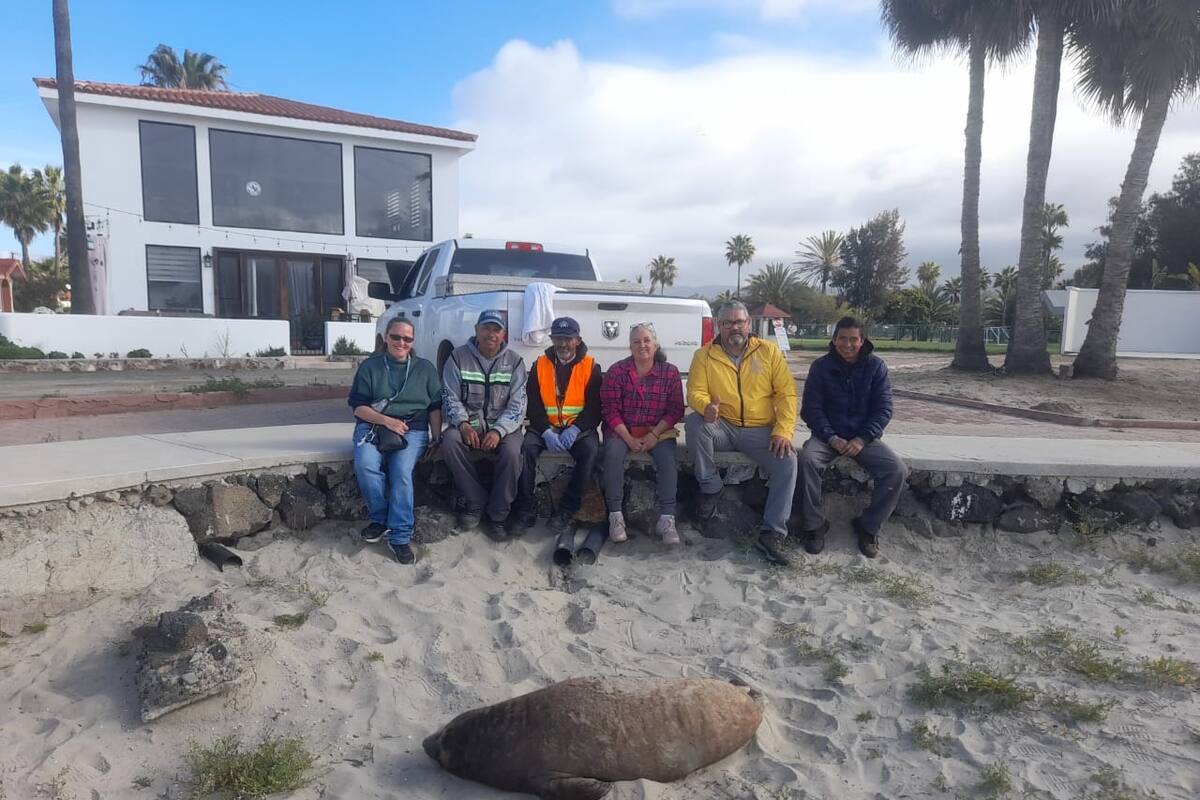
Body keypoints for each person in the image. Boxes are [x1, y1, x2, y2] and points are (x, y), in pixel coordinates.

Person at [685, 300, 798, 566]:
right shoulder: (704, 356)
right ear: (719, 326)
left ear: (748, 324)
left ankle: (772, 533)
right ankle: (711, 488)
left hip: (760, 430)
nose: (733, 327)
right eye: (727, 323)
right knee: (694, 424)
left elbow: (786, 394)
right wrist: (706, 408)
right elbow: (695, 392)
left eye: (738, 322)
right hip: (723, 426)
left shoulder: (769, 352)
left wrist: (783, 431)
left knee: (788, 462)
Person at [798, 316, 907, 559]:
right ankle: (814, 526)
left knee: (896, 470)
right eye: (842, 339)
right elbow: (811, 409)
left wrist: (862, 439)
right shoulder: (820, 367)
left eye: (853, 339)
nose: (847, 344)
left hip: (863, 439)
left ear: (862, 341)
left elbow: (884, 409)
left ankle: (868, 527)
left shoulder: (876, 367)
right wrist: (831, 437)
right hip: (827, 438)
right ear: (834, 340)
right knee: (806, 460)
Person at [348, 317, 443, 564]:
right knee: (366, 464)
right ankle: (380, 519)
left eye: (407, 338)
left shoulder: (425, 368)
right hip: (374, 425)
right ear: (386, 338)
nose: (401, 342)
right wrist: (386, 421)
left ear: (413, 341)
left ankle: (400, 536)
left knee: (401, 471)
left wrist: (437, 436)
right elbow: (358, 407)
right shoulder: (371, 366)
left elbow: (434, 406)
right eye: (396, 337)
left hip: (413, 427)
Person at [440, 310, 528, 540]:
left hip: (505, 428)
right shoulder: (457, 358)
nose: (491, 334)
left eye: (496, 329)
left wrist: (499, 431)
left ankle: (498, 516)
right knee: (449, 442)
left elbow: (518, 405)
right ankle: (475, 501)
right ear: (476, 330)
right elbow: (450, 397)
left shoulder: (516, 361)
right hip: (470, 426)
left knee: (512, 453)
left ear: (503, 334)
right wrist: (463, 424)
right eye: (486, 328)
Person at [600, 323, 686, 544]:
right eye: (636, 341)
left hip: (656, 431)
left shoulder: (670, 372)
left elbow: (675, 408)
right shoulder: (617, 371)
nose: (642, 345)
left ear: (655, 344)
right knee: (612, 455)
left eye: (647, 340)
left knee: (667, 460)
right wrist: (628, 438)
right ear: (630, 346)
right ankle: (616, 515)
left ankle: (667, 519)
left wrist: (654, 435)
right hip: (622, 431)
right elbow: (609, 409)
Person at [517, 316, 603, 534]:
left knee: (591, 452)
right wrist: (546, 431)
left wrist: (575, 429)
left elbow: (594, 408)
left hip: (578, 430)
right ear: (552, 339)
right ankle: (524, 508)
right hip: (545, 427)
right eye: (557, 338)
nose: (562, 344)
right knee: (525, 449)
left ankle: (566, 510)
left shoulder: (591, 366)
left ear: (578, 340)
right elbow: (533, 405)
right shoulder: (540, 365)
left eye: (568, 338)